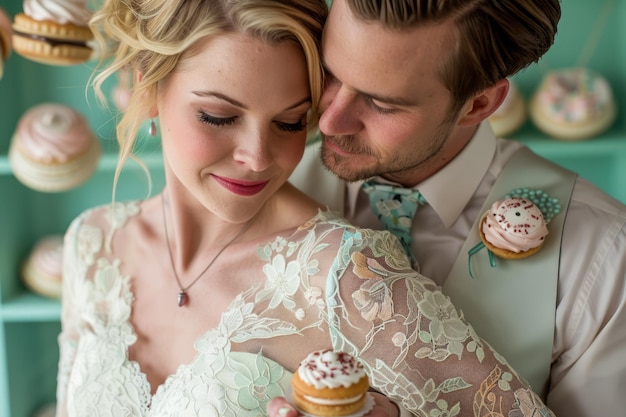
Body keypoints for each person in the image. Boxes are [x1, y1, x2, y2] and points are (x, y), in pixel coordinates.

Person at [55, 0, 559, 416]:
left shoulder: (349, 275)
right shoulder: (93, 242)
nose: (256, 158)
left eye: (292, 123)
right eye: (218, 116)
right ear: (146, 87)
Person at [283, 1, 626, 416]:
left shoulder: (603, 257)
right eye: (329, 72)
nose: (329, 121)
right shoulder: (265, 188)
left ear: (478, 105)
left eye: (382, 104)